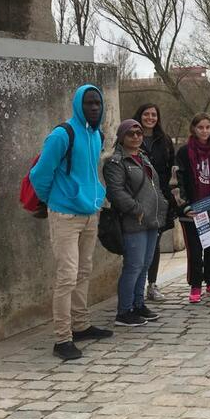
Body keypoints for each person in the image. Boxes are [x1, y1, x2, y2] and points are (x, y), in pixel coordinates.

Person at [29, 85, 113, 361]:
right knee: (67, 275)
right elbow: (39, 174)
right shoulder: (62, 134)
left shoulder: (96, 135)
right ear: (79, 105)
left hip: (90, 213)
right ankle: (62, 338)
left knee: (84, 271)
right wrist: (52, 199)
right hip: (64, 214)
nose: (94, 108)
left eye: (97, 104)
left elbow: (91, 172)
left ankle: (81, 325)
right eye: (89, 103)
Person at [103, 120, 168, 327]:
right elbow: (116, 191)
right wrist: (135, 209)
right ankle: (124, 311)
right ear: (122, 137)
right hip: (134, 221)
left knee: (145, 264)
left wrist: (163, 204)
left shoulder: (142, 158)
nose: (136, 137)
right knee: (133, 265)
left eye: (139, 133)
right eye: (131, 134)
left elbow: (154, 186)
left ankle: (138, 304)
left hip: (152, 219)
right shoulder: (116, 162)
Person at [176, 113, 210, 304]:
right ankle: (195, 284)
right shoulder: (184, 152)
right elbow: (178, 181)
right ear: (193, 129)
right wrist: (183, 205)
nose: (205, 131)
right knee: (195, 248)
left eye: (208, 127)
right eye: (201, 127)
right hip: (194, 208)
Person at [133, 103, 176, 303]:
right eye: (146, 114)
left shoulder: (164, 140)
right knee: (137, 245)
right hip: (138, 198)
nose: (150, 118)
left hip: (160, 197)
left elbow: (169, 169)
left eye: (154, 115)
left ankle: (152, 284)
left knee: (155, 244)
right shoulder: (130, 137)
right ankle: (135, 287)